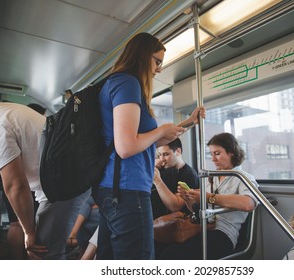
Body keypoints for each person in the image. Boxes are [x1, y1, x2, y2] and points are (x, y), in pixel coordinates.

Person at [93, 32, 205, 260]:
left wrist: (189, 123)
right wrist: (161, 130)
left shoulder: (115, 83)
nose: (159, 69)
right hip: (128, 188)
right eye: (157, 61)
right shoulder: (127, 83)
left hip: (113, 188)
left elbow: (149, 140)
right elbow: (126, 146)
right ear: (143, 56)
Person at [0, 83, 88, 259]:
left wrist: (29, 232)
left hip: (63, 187)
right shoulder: (5, 111)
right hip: (59, 184)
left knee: (45, 254)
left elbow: (16, 186)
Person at [160, 132, 259, 260]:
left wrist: (208, 197)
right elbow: (197, 210)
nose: (213, 159)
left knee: (173, 256)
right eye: (211, 154)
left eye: (217, 154)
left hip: (224, 233)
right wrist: (189, 199)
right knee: (165, 250)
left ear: (231, 152)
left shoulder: (243, 178)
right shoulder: (210, 178)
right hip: (202, 227)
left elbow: (248, 204)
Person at [0, 102, 46, 259]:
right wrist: (29, 231)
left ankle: (15, 260)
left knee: (14, 223)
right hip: (19, 179)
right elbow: (17, 184)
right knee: (20, 224)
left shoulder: (16, 125)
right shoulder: (29, 128)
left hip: (9, 177)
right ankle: (19, 259)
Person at [152, 138, 199, 219]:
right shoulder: (163, 170)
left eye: (166, 154)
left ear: (178, 151)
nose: (162, 159)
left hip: (176, 224)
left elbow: (175, 206)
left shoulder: (189, 175)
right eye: (160, 155)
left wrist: (157, 181)